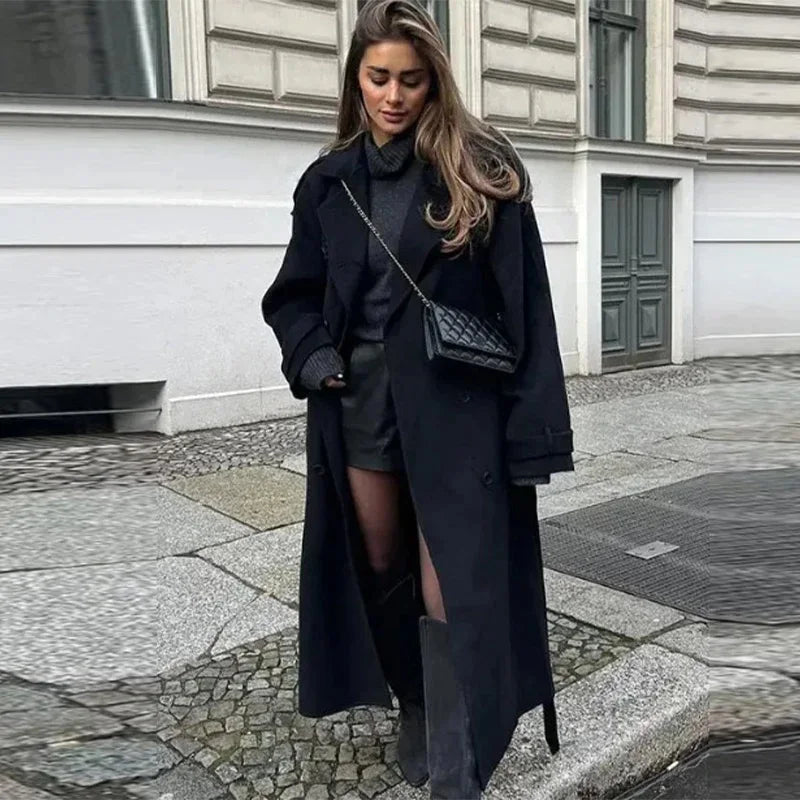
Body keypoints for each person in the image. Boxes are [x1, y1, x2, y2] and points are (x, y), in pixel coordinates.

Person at [261, 1, 574, 796]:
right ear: (356, 80)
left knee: (452, 575)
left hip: (456, 409)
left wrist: (532, 435)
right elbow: (292, 296)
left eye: (410, 78)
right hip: (358, 401)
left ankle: (457, 754)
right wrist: (313, 354)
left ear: (434, 81)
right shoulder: (328, 181)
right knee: (380, 562)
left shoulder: (480, 169)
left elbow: (525, 305)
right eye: (378, 78)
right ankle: (415, 702)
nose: (394, 96)